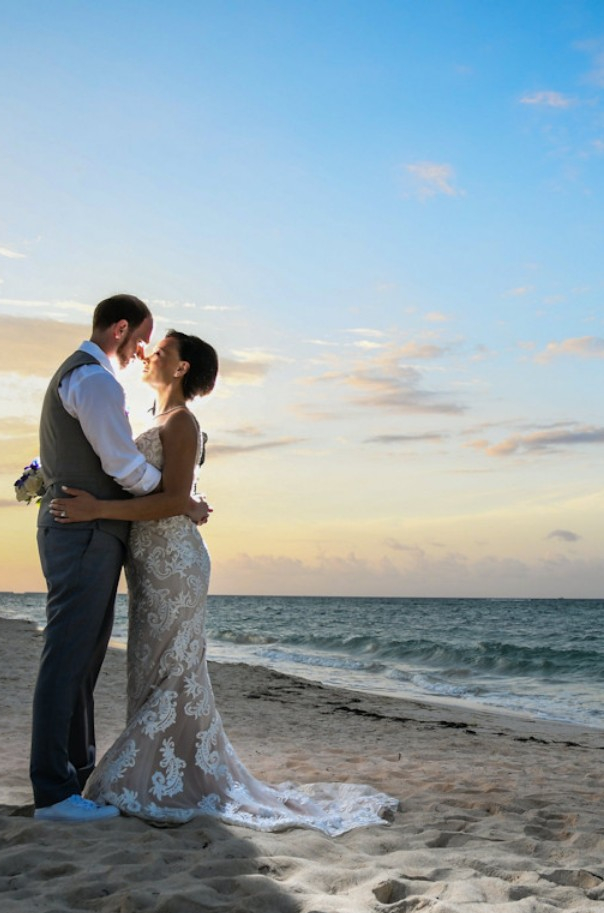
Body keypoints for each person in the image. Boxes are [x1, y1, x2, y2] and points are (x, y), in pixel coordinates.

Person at [50, 330, 398, 835]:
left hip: (175, 563)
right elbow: (170, 490)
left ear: (182, 367)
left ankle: (153, 777)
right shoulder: (156, 420)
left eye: (162, 350)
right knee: (151, 666)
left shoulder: (183, 421)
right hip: (150, 560)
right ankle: (165, 769)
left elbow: (172, 499)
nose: (149, 355)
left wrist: (98, 510)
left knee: (174, 668)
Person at [32, 297, 209, 824]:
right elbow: (121, 464)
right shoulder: (96, 380)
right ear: (121, 328)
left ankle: (73, 779)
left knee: (83, 661)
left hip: (109, 535)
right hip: (88, 532)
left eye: (154, 346)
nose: (143, 351)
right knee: (69, 658)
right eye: (141, 340)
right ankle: (55, 792)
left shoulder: (92, 378)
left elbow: (104, 460)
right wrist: (180, 498)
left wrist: (178, 499)